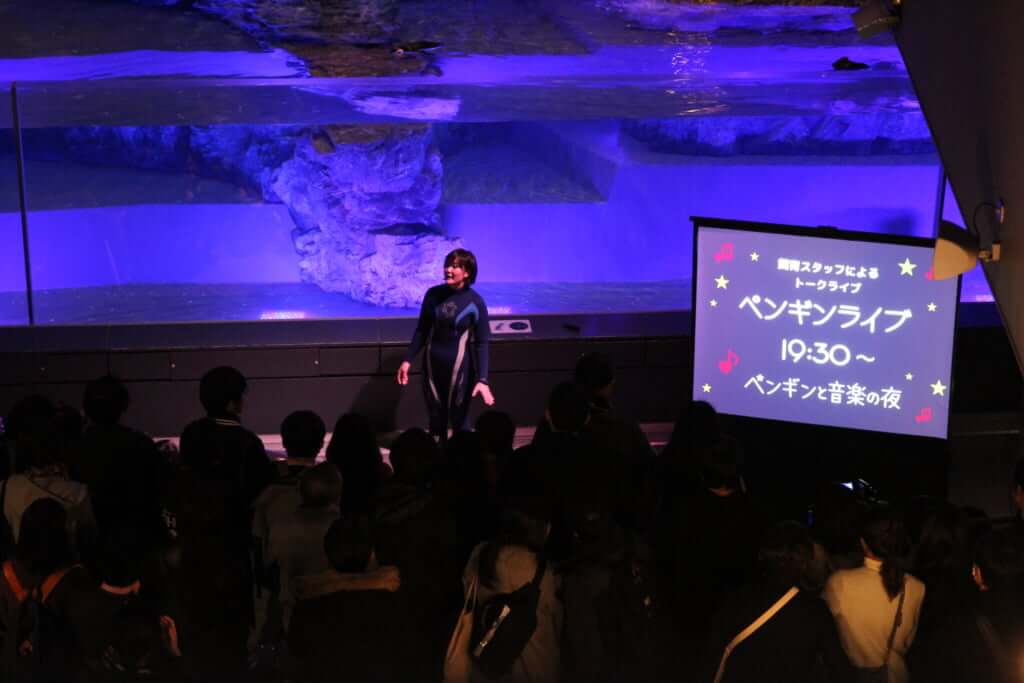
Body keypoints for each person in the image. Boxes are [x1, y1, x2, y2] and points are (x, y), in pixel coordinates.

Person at [705, 521, 855, 683]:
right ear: (804, 561)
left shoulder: (735, 599)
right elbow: (840, 669)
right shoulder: (815, 611)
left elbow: (712, 655)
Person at [396, 249, 494, 441]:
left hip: (460, 371)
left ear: (467, 272)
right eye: (447, 265)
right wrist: (407, 360)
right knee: (436, 422)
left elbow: (481, 343)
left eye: (455, 266)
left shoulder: (475, 302)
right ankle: (436, 457)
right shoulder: (433, 295)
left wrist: (482, 379)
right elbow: (422, 330)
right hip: (432, 368)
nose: (448, 270)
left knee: (460, 423)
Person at [824, 506, 925, 683]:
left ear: (863, 543)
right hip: (895, 676)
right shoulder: (917, 587)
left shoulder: (839, 582)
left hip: (853, 676)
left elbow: (827, 635)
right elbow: (906, 643)